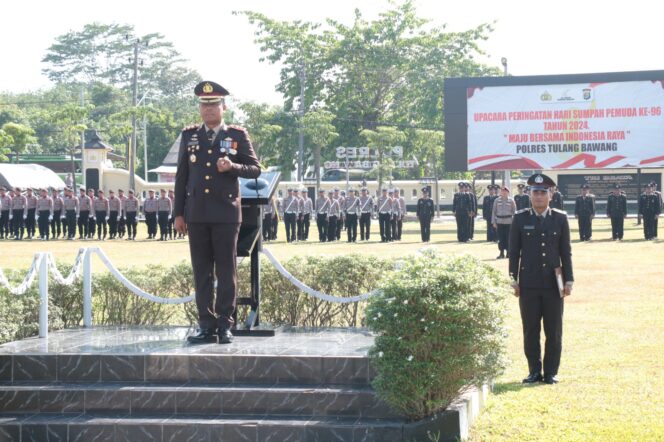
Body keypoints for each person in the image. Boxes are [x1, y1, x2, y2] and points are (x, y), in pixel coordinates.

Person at [174, 80, 261, 345]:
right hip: (197, 213)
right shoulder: (189, 135)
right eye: (204, 105)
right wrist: (178, 213)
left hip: (225, 213)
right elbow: (181, 177)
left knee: (226, 271)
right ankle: (205, 324)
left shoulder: (236, 135)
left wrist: (232, 166)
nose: (208, 109)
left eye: (213, 105)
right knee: (201, 271)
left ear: (223, 106)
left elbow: (255, 169)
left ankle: (225, 324)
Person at [509, 173, 573, 385]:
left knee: (554, 330)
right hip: (528, 284)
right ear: (529, 194)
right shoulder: (519, 218)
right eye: (535, 192)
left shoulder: (560, 218)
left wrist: (569, 280)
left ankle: (551, 372)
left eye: (542, 192)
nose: (538, 196)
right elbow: (514, 252)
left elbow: (566, 252)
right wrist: (513, 279)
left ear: (551, 195)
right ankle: (534, 371)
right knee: (530, 330)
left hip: (554, 285)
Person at [492, 186, 516, 259]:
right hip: (499, 222)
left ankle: (508, 253)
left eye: (505, 191)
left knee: (509, 238)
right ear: (500, 192)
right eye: (502, 191)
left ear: (508, 192)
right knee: (501, 238)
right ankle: (501, 253)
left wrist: (515, 223)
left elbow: (514, 212)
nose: (503, 193)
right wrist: (494, 222)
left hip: (509, 222)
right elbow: (494, 212)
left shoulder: (511, 201)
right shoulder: (496, 200)